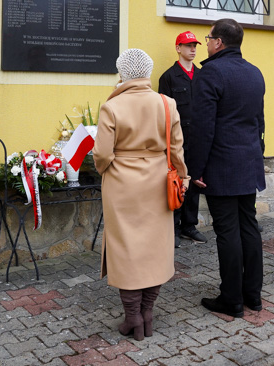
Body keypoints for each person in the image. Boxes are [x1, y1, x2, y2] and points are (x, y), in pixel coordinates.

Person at [93, 48, 189, 340]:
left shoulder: (112, 106)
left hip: (122, 185)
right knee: (154, 248)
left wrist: (108, 169)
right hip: (158, 182)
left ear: (122, 73)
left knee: (126, 248)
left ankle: (132, 316)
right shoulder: (166, 103)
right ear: (147, 73)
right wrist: (182, 177)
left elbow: (102, 154)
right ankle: (147, 312)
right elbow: (176, 149)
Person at [187, 18, 266, 318]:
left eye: (207, 38)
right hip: (248, 161)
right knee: (249, 226)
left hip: (220, 165)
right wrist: (258, 154)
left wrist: (197, 170)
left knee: (228, 231)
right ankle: (253, 296)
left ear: (218, 42)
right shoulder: (254, 73)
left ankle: (231, 299)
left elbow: (203, 128)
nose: (205, 43)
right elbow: (259, 122)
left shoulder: (211, 74)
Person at [158, 31, 207, 248]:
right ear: (178, 48)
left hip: (198, 138)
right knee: (176, 182)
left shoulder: (202, 76)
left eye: (195, 45)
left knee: (194, 182)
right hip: (177, 139)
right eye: (188, 45)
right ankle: (174, 228)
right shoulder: (168, 77)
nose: (193, 49)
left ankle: (190, 225)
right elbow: (163, 113)